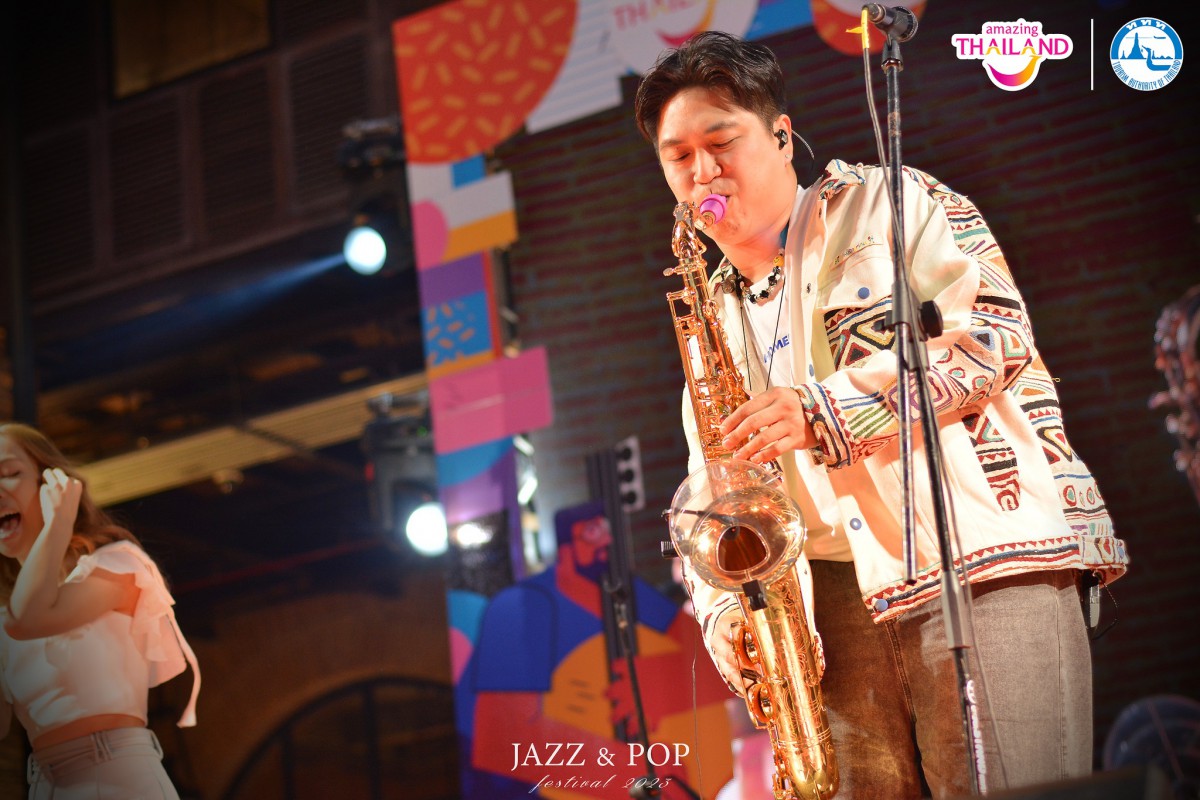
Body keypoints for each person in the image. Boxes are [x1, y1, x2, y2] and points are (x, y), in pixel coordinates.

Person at [633, 30, 1129, 798]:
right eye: (679, 157)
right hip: (825, 621)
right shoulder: (712, 318)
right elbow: (717, 497)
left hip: (977, 567)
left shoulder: (890, 203)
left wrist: (824, 411)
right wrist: (727, 611)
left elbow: (993, 340)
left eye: (720, 142)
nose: (702, 173)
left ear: (781, 135)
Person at [0, 422, 200, 799]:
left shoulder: (118, 566)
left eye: (9, 473)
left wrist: (59, 523)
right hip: (46, 786)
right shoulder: (5, 615)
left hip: (118, 777)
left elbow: (28, 619)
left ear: (51, 483)